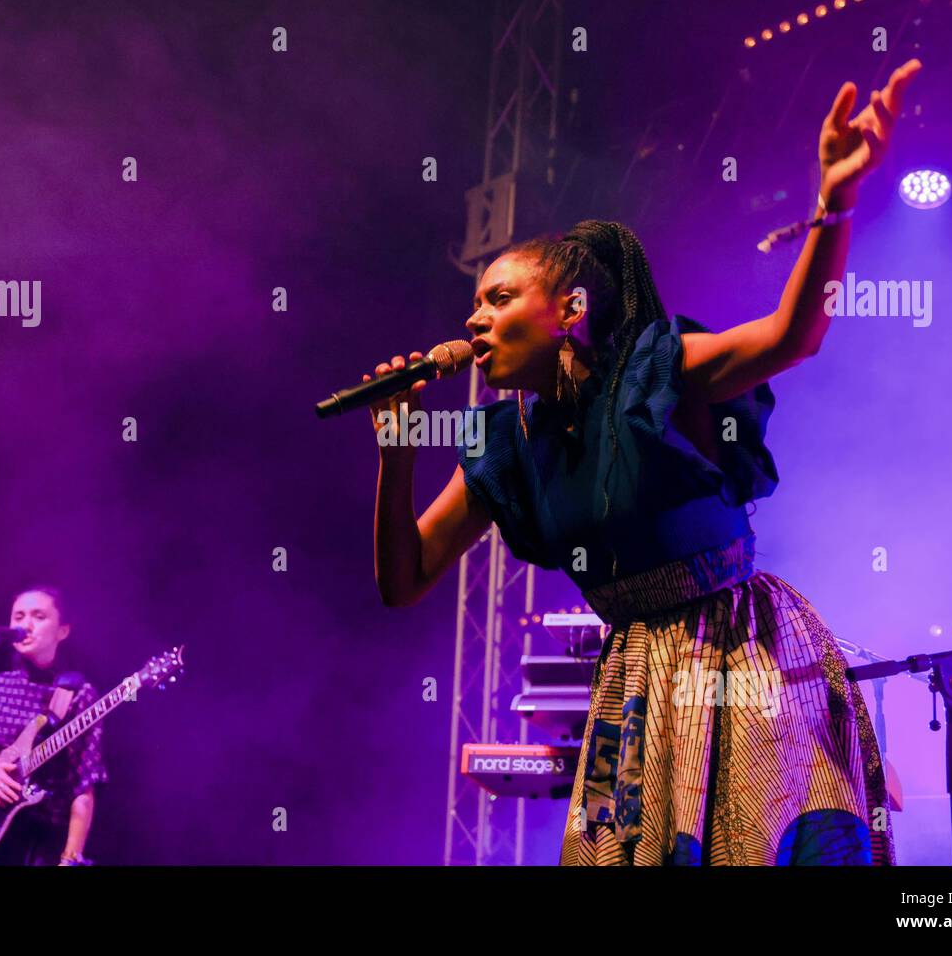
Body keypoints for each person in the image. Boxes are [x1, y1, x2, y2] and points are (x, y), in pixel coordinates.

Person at [367, 61, 921, 865]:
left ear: (568, 312)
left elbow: (792, 335)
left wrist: (834, 203)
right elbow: (402, 577)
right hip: (635, 678)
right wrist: (395, 451)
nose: (472, 315)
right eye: (475, 301)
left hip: (737, 653)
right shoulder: (506, 440)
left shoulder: (658, 370)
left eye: (496, 297)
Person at [0, 586, 107, 865]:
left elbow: (84, 788)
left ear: (62, 631)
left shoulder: (78, 694)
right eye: (18, 616)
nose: (25, 624)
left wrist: (69, 858)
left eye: (39, 616)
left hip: (43, 842)